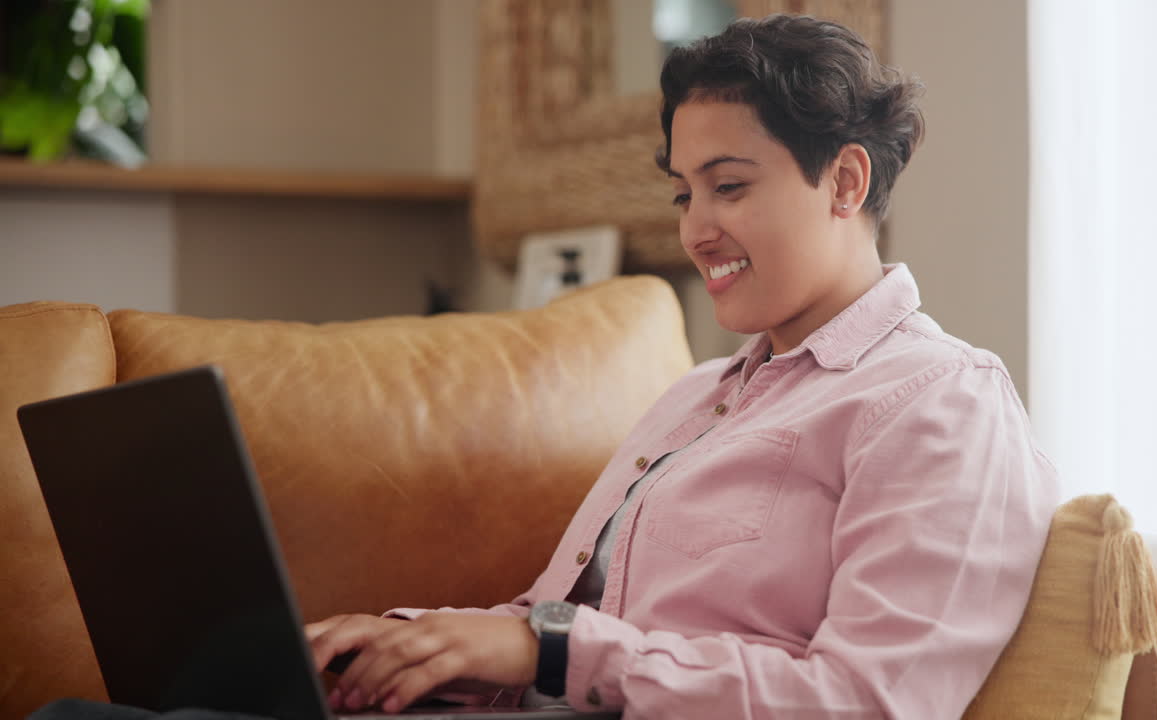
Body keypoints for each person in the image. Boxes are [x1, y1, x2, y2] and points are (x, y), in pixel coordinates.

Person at [306, 14, 1061, 719]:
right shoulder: (699, 395)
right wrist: (409, 645)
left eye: (728, 186)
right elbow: (564, 638)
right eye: (683, 193)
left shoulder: (940, 403)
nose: (696, 230)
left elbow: (865, 701)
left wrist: (556, 649)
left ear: (845, 181)